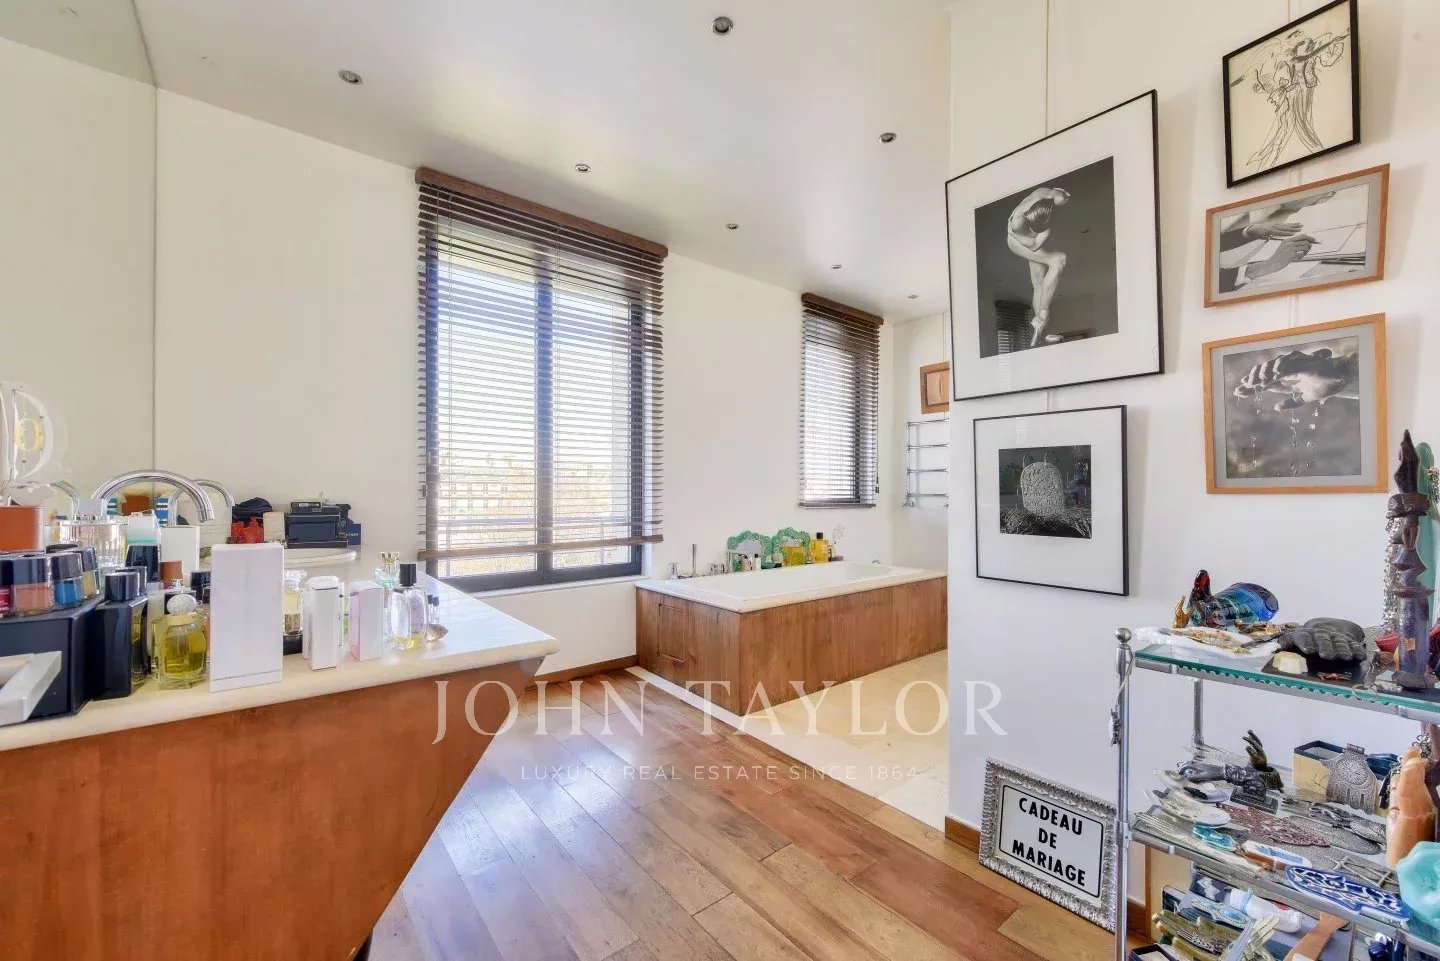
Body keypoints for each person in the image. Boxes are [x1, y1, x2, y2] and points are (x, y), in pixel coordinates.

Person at [1005, 186, 1070, 347]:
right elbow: (1033, 245)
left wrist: (1063, 196)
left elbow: (1062, 197)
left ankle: (1041, 333)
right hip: (1018, 243)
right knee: (1059, 260)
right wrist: (1014, 234)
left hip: (1031, 240)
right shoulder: (1018, 221)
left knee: (1039, 282)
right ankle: (1041, 320)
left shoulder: (1048, 195)